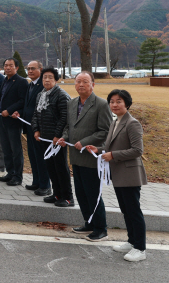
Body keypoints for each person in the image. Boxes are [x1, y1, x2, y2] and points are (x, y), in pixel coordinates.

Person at [86, 89, 148, 262]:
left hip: (130, 174)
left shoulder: (132, 123)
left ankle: (141, 248)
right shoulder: (115, 122)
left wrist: (113, 155)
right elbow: (112, 146)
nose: (114, 104)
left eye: (119, 101)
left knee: (133, 211)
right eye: (112, 101)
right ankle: (131, 241)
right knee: (125, 210)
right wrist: (99, 150)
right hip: (119, 174)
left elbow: (137, 150)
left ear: (127, 103)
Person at [58, 71, 112, 242]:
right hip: (75, 155)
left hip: (91, 156)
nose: (81, 84)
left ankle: (100, 229)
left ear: (93, 85)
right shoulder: (72, 103)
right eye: (78, 81)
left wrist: (85, 141)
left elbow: (105, 131)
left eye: (85, 82)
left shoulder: (101, 104)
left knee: (93, 193)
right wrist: (64, 138)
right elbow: (68, 126)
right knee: (81, 192)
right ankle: (88, 222)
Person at [31, 66, 72, 206]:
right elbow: (36, 114)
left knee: (61, 168)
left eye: (50, 77)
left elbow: (64, 117)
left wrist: (57, 135)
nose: (47, 80)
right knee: (51, 168)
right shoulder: (40, 94)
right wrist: (36, 130)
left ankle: (67, 197)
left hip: (57, 139)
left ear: (56, 79)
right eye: (44, 77)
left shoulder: (61, 95)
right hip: (44, 138)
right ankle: (57, 194)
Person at [13, 61, 50, 195]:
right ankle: (37, 182)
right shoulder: (31, 85)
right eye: (28, 69)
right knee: (33, 156)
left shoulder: (43, 86)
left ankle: (45, 185)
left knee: (41, 157)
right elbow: (27, 106)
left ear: (41, 69)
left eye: (33, 69)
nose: (30, 71)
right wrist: (20, 113)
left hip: (39, 129)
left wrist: (38, 128)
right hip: (29, 126)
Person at [0, 58, 28, 186]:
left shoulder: (21, 82)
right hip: (2, 120)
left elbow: (22, 100)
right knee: (6, 149)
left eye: (11, 65)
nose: (8, 68)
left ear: (17, 67)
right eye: (6, 65)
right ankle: (10, 173)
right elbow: (1, 99)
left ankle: (18, 176)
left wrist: (9, 110)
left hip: (13, 121)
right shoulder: (5, 81)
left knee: (16, 150)